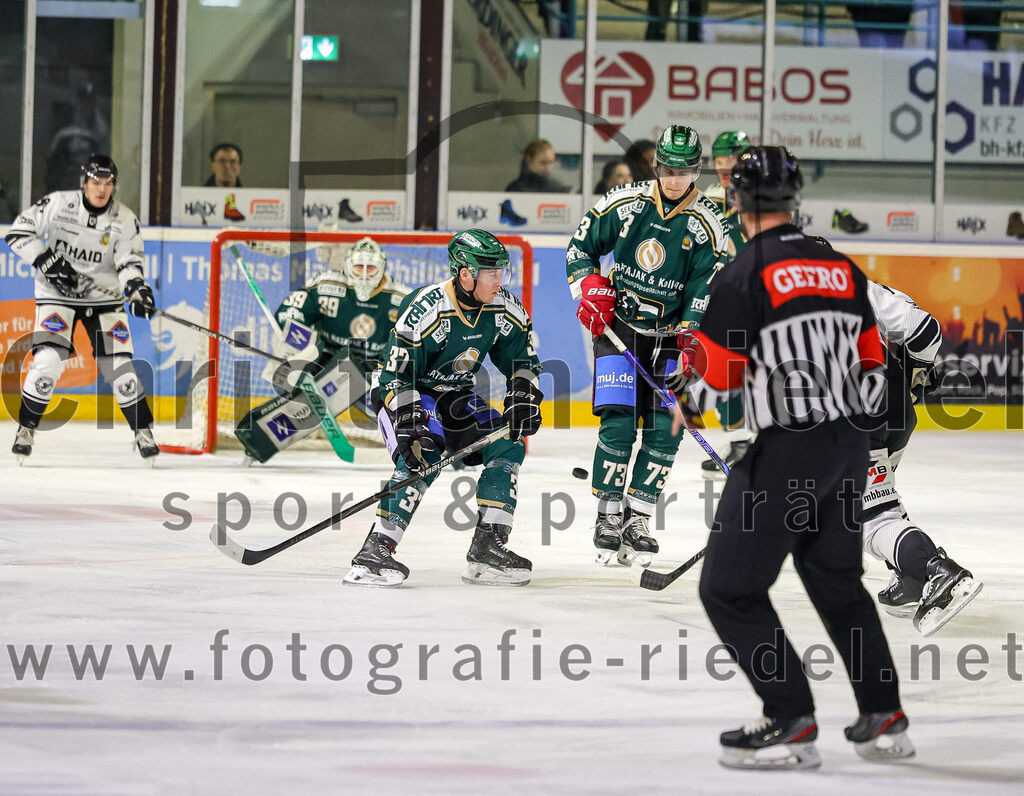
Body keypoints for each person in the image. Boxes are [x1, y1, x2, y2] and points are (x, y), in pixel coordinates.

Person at [673, 146, 912, 770]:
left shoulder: (746, 270)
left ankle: (789, 720)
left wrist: (688, 395)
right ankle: (883, 713)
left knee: (729, 588)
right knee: (835, 578)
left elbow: (719, 372)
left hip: (789, 450)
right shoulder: (838, 266)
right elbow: (871, 360)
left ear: (736, 201)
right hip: (849, 447)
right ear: (794, 198)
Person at [343, 228, 544, 588]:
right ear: (465, 273)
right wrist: (409, 421)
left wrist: (524, 395)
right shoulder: (426, 308)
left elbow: (523, 360)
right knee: (423, 452)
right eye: (491, 273)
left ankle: (488, 546)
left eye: (502, 271)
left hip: (455, 395)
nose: (500, 280)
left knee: (509, 443)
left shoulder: (505, 307)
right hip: (406, 390)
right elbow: (395, 374)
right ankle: (375, 550)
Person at [567, 124, 728, 567]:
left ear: (697, 170)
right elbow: (580, 247)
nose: (675, 178)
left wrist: (693, 341)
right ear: (657, 166)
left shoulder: (710, 224)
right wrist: (588, 290)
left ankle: (637, 518)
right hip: (619, 331)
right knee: (618, 423)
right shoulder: (624, 203)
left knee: (667, 429)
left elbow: (705, 289)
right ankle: (607, 514)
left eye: (685, 170)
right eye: (668, 168)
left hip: (675, 339)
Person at [811, 237, 983, 635]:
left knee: (866, 517)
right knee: (877, 496)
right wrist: (914, 374)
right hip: (893, 405)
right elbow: (926, 330)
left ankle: (937, 573)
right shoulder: (864, 286)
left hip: (849, 414)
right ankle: (909, 573)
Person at [5, 155, 159, 463]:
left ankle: (143, 431)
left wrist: (136, 288)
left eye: (108, 183)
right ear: (84, 183)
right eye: (95, 183)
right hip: (57, 297)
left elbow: (129, 262)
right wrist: (46, 260)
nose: (101, 190)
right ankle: (26, 428)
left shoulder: (124, 218)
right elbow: (17, 232)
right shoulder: (59, 204)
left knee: (120, 369)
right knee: (48, 362)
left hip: (103, 300)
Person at [234, 235, 409, 463]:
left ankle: (431, 445)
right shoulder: (327, 286)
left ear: (382, 268)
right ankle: (257, 444)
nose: (364, 274)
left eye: (371, 268)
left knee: (399, 408)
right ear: (347, 266)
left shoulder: (401, 299)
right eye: (359, 266)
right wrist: (297, 348)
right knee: (297, 397)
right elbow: (292, 310)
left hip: (374, 369)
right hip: (327, 361)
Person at [697, 130, 754, 477]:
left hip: (763, 297)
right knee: (725, 371)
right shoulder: (711, 198)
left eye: (727, 160)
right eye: (717, 161)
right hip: (729, 298)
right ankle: (740, 443)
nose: (721, 167)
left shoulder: (763, 195)